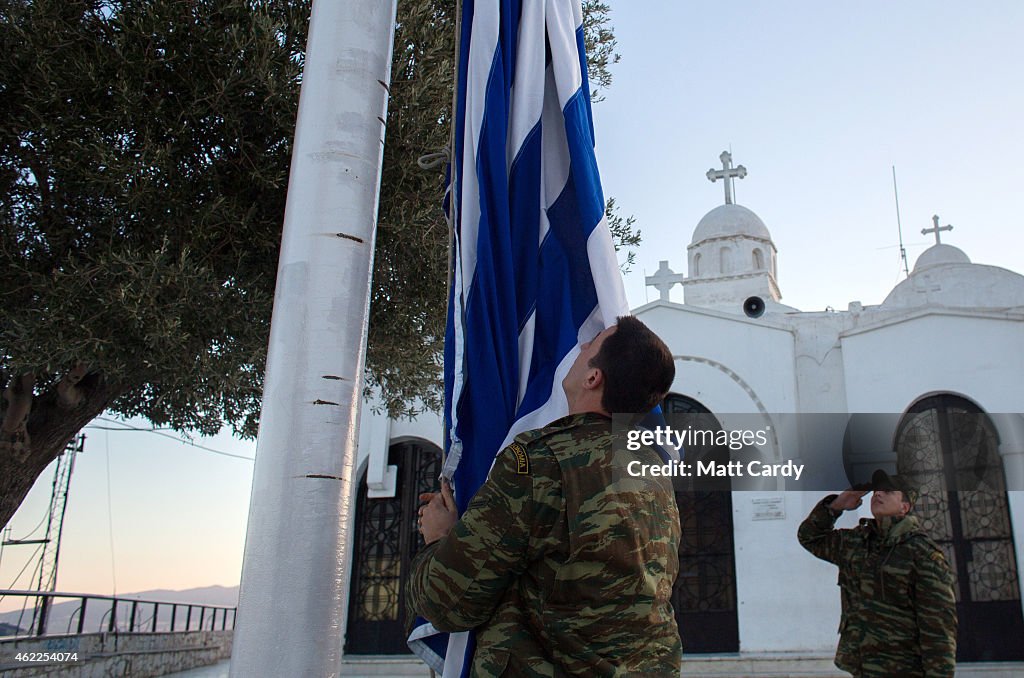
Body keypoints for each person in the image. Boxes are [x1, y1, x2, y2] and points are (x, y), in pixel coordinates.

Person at [408, 315, 682, 676]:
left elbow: (448, 601)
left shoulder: (541, 461)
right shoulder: (652, 471)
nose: (581, 347)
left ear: (593, 377)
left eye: (591, 346)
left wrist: (439, 538)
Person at [798, 469, 958, 677]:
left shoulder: (921, 553)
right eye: (876, 490)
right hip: (862, 668)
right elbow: (810, 537)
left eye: (888, 491)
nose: (878, 494)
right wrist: (837, 505)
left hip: (905, 670)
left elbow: (938, 627)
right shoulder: (857, 543)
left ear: (905, 507)